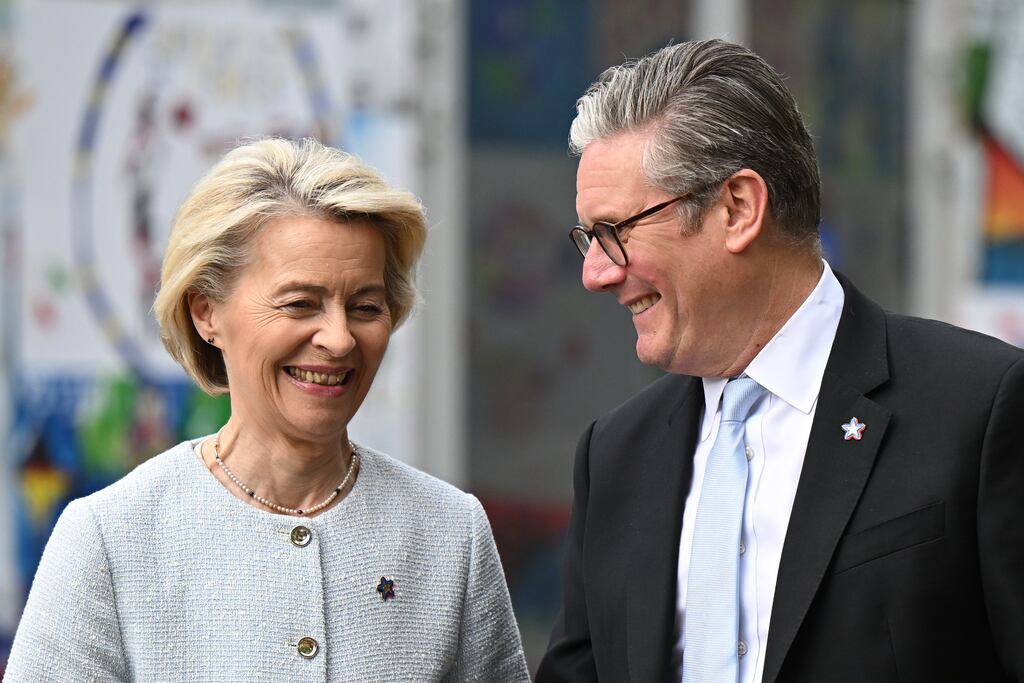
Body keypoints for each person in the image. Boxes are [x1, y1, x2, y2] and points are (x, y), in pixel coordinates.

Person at [536, 39, 1024, 683]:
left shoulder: (978, 408)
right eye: (587, 239)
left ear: (737, 209)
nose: (595, 273)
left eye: (614, 234)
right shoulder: (615, 456)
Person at [7, 138, 529, 681]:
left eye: (365, 307)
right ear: (206, 311)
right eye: (300, 303)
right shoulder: (109, 539)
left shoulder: (450, 533)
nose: (339, 338)